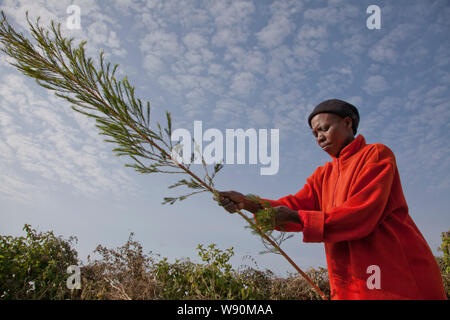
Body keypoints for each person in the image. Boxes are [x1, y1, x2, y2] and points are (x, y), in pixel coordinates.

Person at [215, 99, 447, 300]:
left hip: (394, 273)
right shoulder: (322, 175)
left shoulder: (375, 155)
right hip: (352, 281)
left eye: (325, 128)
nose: (320, 137)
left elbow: (362, 212)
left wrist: (298, 217)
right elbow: (294, 205)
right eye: (315, 134)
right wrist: (247, 203)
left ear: (348, 123)